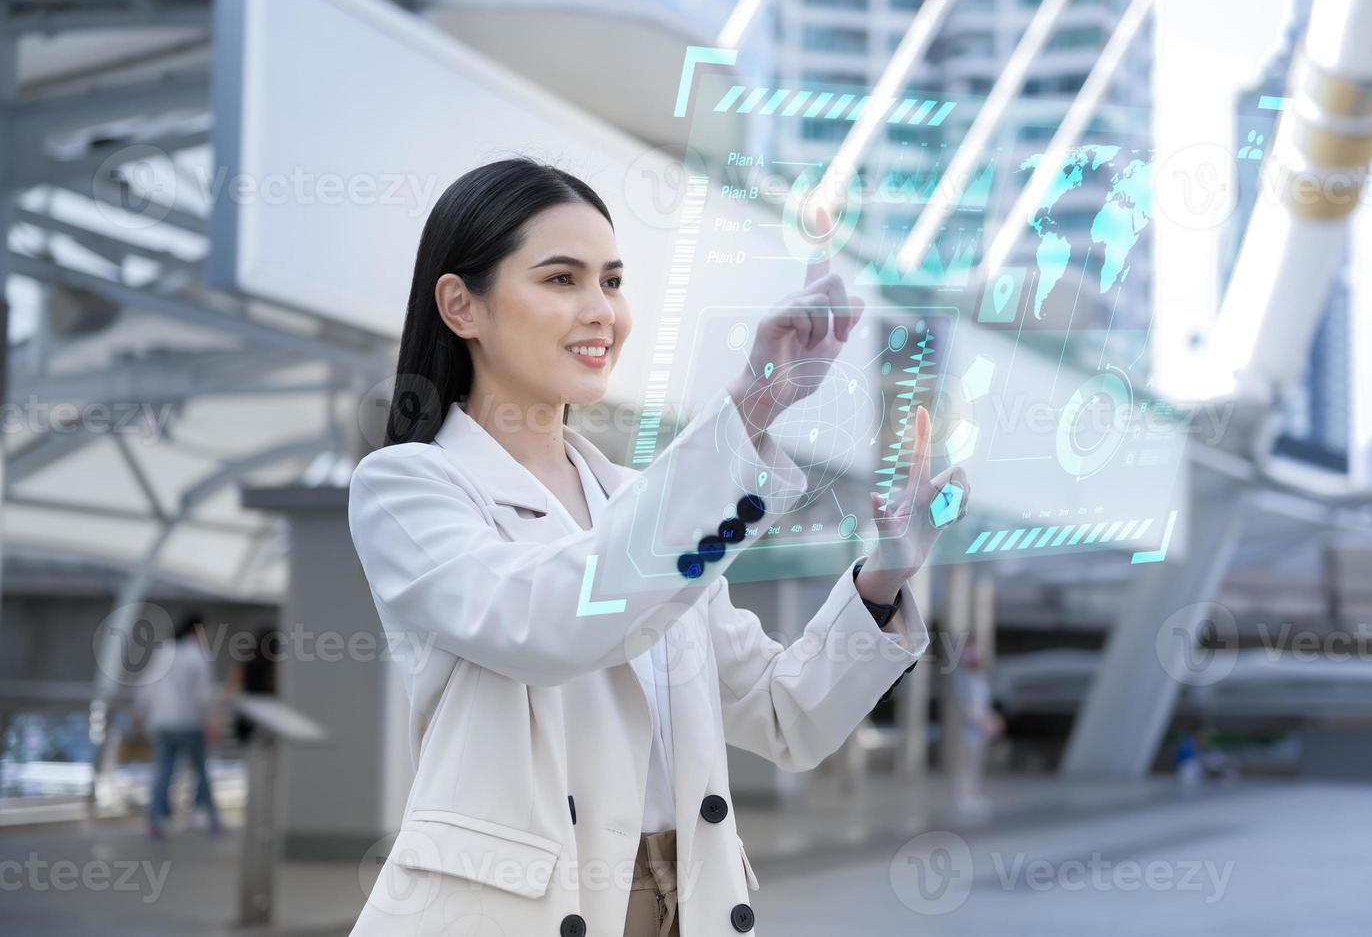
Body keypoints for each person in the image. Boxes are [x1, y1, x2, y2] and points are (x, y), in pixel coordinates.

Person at [346, 158, 970, 937]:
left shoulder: (639, 502)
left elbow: (785, 716)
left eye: (611, 281)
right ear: (461, 306)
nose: (600, 310)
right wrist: (747, 408)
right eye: (561, 279)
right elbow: (549, 625)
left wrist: (885, 573)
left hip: (685, 904)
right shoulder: (408, 487)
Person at [135, 612, 222, 839]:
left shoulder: (164, 652)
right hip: (189, 722)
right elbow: (203, 695)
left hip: (162, 722)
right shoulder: (198, 655)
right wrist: (211, 720)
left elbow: (146, 685)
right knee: (200, 770)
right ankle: (208, 817)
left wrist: (140, 711)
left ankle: (156, 819)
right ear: (197, 631)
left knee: (164, 771)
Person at [950, 634, 1005, 814]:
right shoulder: (964, 678)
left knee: (975, 764)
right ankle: (962, 797)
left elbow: (983, 704)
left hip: (979, 729)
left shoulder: (979, 677)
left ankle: (972, 794)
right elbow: (966, 707)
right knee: (966, 764)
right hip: (969, 729)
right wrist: (983, 722)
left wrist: (991, 719)